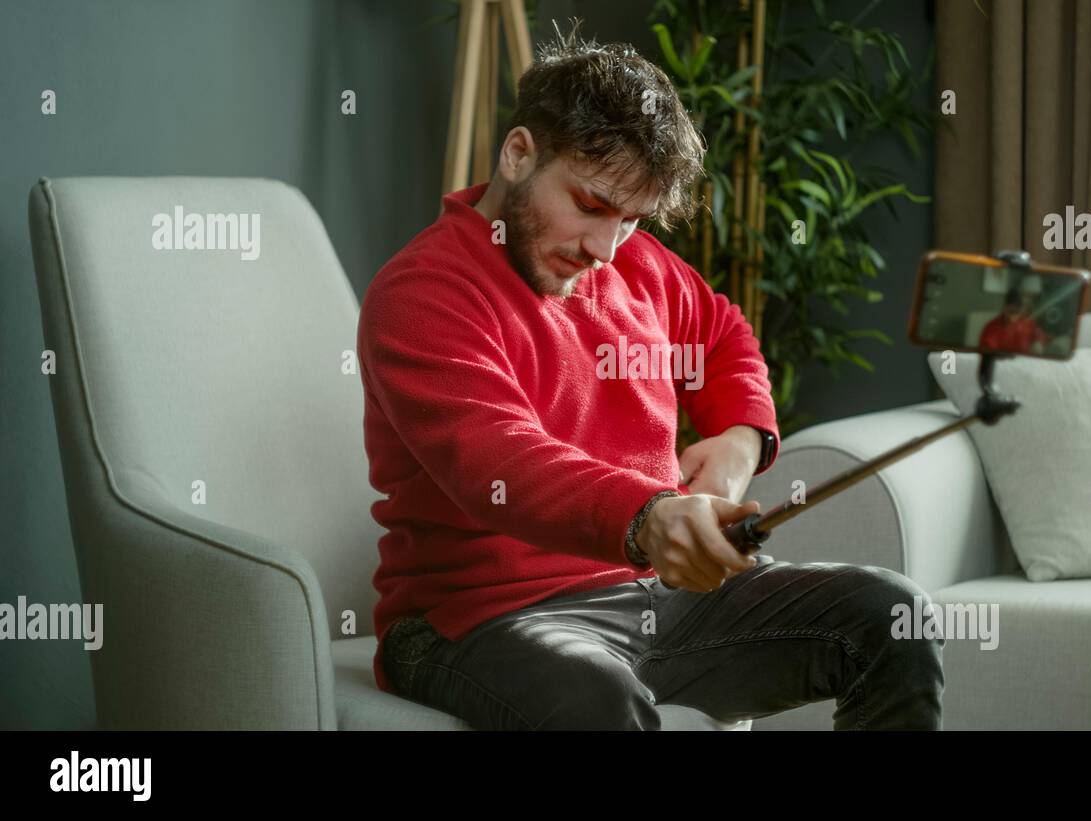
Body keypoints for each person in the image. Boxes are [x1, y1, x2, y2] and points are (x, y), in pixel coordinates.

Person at [356, 26, 945, 730]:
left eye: (632, 221)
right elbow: (498, 460)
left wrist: (740, 442)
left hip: (656, 599)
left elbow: (725, 335)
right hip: (476, 618)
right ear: (518, 154)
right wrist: (648, 517)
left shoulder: (635, 265)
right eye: (592, 204)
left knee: (889, 616)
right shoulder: (422, 293)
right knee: (593, 696)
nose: (606, 249)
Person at [978, 287, 1049, 354]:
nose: (1012, 318)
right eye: (1011, 311)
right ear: (1005, 307)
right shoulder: (991, 328)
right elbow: (986, 352)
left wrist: (1038, 342)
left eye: (1016, 312)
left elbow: (1040, 335)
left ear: (1021, 310)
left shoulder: (1028, 323)